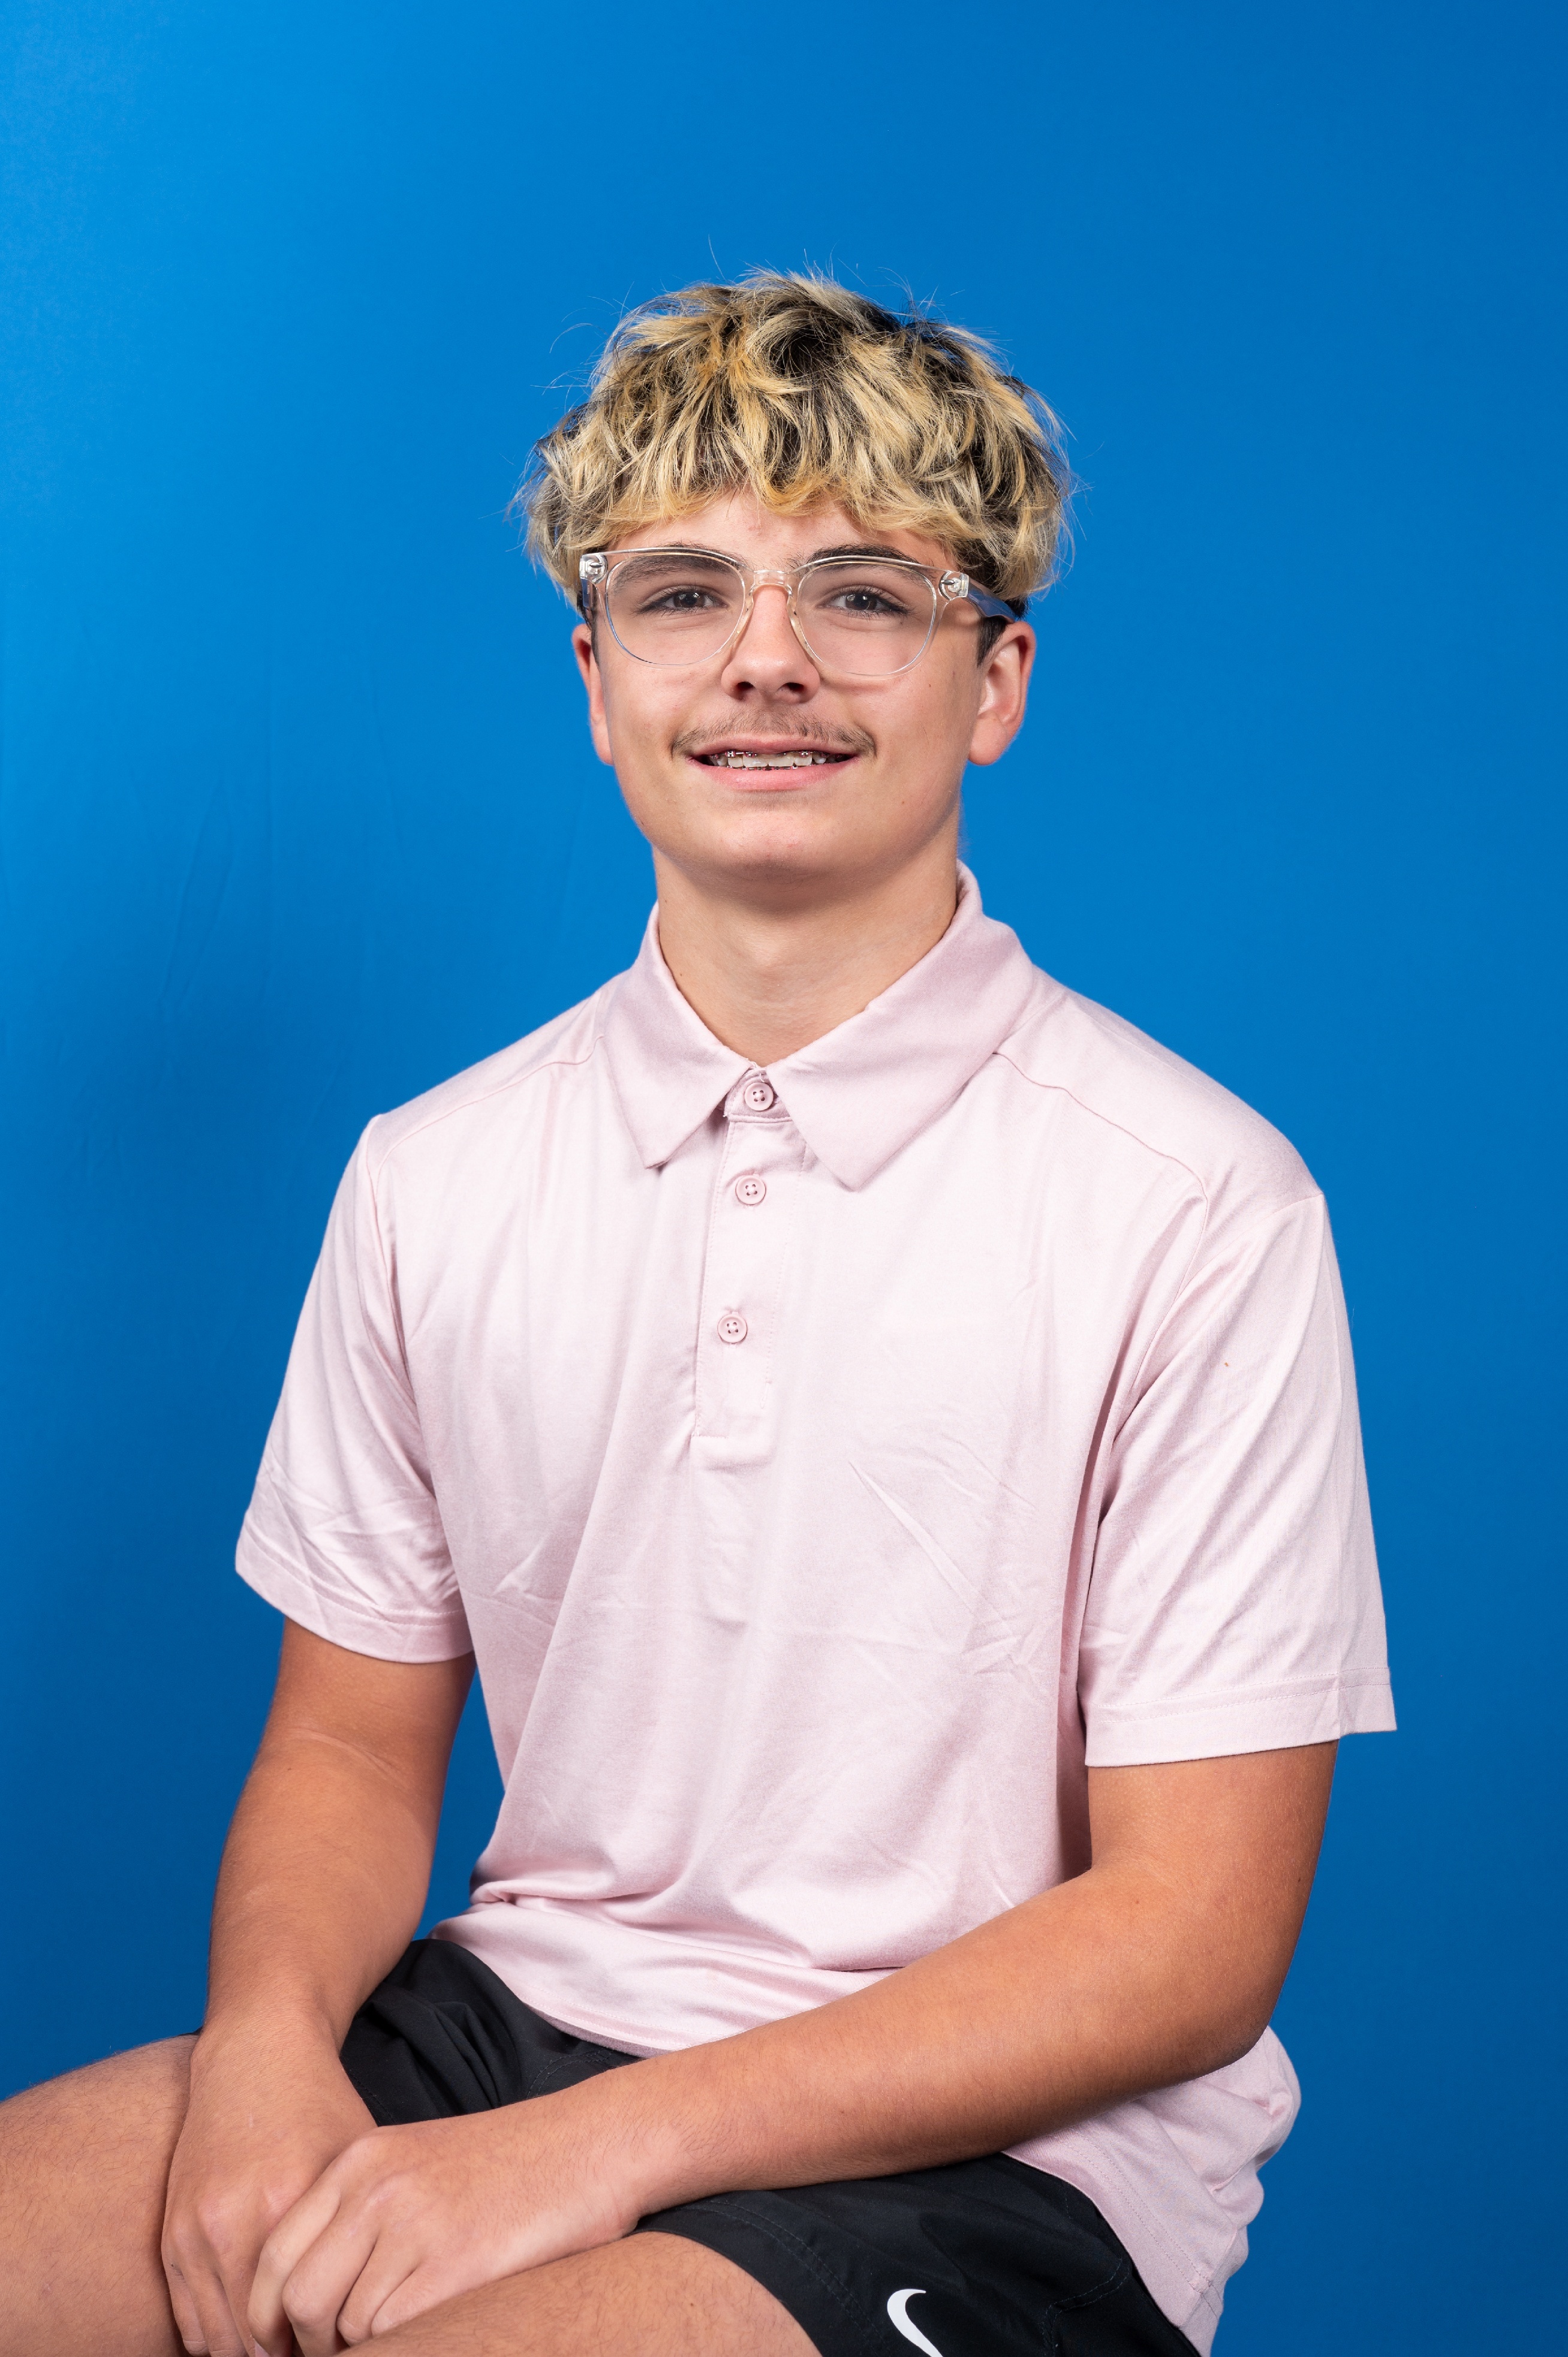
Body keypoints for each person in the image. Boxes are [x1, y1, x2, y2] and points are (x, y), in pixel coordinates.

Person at [0, 273, 1395, 2357]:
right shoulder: (434, 1172)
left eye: (863, 594)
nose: (765, 660)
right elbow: (350, 1746)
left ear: (995, 678)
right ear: (597, 676)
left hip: (1006, 2143)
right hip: (513, 2021)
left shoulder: (1197, 1203)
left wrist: (592, 2154)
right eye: (682, 594)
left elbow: (1193, 1935)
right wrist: (271, 2049)